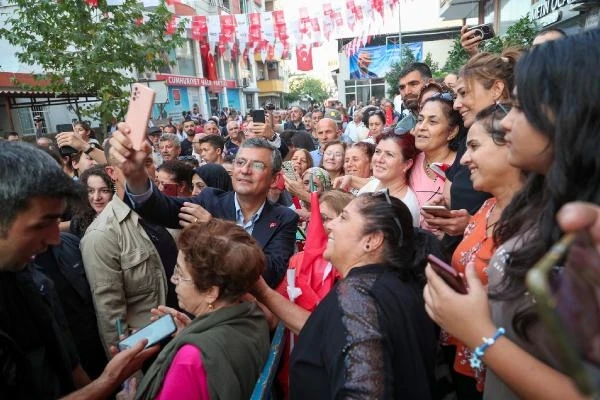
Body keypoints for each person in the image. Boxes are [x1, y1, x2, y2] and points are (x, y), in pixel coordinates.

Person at [424, 29, 600, 400]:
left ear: (571, 112)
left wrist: (479, 334)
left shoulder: (589, 226)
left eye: (521, 107)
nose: (505, 123)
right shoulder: (544, 204)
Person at [0, 141, 159, 399]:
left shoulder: (32, 281)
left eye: (57, 220)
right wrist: (107, 382)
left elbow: (69, 366)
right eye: (43, 224)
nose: (54, 238)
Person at [256, 191, 437, 398]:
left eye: (343, 218)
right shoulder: (397, 284)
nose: (330, 225)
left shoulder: (357, 298)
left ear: (372, 240)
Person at [109, 130, 298, 288]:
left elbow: (270, 274)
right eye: (240, 162)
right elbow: (161, 209)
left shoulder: (284, 218)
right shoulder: (210, 200)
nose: (245, 170)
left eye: (257, 165)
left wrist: (216, 231)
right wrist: (136, 178)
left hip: (253, 319)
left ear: (274, 179)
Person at [440, 104, 524, 398]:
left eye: (474, 146)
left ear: (511, 144)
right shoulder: (485, 208)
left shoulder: (538, 224)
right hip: (466, 361)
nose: (464, 159)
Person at [135, 219, 270, 399]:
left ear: (211, 292)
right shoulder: (254, 317)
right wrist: (191, 332)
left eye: (180, 274)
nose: (174, 280)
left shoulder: (190, 360)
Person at [81, 144, 176, 353]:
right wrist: (130, 378)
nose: (142, 170)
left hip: (182, 339)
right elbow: (111, 317)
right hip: (149, 351)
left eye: (147, 162)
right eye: (131, 164)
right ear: (112, 172)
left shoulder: (167, 212)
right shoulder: (101, 236)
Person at [411, 93, 462, 222]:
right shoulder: (411, 161)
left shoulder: (463, 168)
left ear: (452, 132)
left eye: (432, 122)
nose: (421, 127)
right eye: (420, 120)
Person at [356, 133, 420, 226]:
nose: (379, 159)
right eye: (377, 152)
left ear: (407, 164)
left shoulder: (405, 207)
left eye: (389, 154)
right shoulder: (372, 185)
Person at [70, 165, 115, 238]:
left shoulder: (122, 224)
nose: (96, 197)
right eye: (91, 191)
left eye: (104, 191)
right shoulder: (79, 221)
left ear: (114, 192)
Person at [395, 63, 433, 135]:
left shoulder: (454, 115)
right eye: (402, 87)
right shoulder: (402, 128)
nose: (407, 92)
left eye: (413, 84)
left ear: (430, 84)